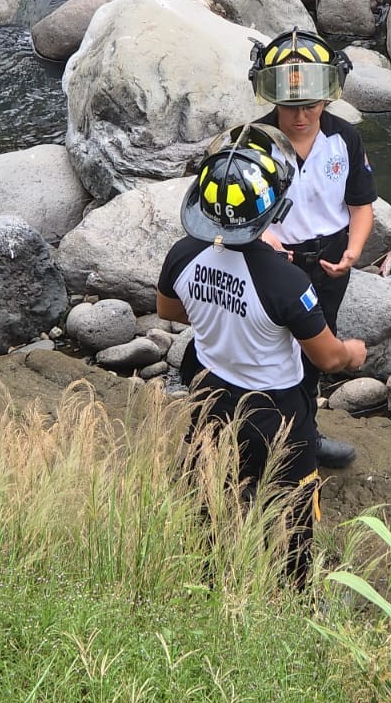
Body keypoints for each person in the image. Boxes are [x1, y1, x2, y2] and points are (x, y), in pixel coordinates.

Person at [156, 123, 369, 587]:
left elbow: (170, 310)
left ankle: (206, 581)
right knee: (293, 514)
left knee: (211, 496)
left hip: (209, 394)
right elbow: (328, 358)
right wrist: (354, 353)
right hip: (277, 412)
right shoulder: (285, 282)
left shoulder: (183, 255)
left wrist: (223, 313)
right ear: (273, 209)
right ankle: (294, 592)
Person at [248, 30, 377, 468]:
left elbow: (360, 205)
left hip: (329, 260)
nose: (300, 116)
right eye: (290, 107)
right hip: (272, 261)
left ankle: (305, 434)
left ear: (327, 98)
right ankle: (260, 434)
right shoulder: (254, 143)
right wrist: (262, 237)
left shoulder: (344, 139)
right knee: (269, 349)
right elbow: (233, 213)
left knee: (315, 349)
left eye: (311, 106)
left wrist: (353, 252)